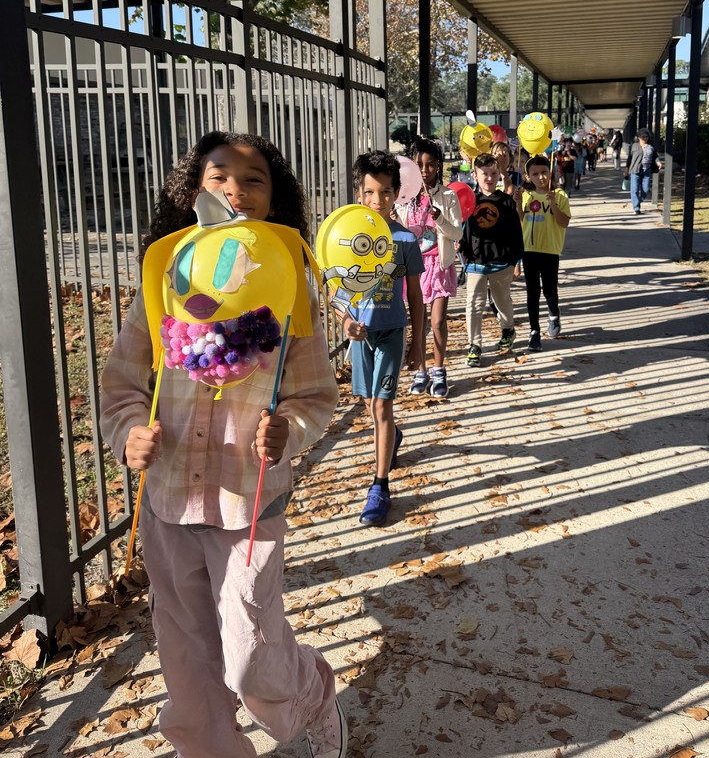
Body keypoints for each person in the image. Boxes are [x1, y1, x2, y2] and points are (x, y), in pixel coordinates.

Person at [100, 131, 347, 758]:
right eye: (219, 176)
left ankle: (312, 699)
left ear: (275, 197)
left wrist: (290, 428)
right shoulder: (163, 286)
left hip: (248, 505)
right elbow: (124, 386)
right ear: (193, 192)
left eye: (254, 177)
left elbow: (316, 395)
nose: (236, 188)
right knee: (186, 659)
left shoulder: (292, 293)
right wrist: (130, 433)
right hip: (168, 505)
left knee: (250, 657)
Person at [343, 150, 424, 526]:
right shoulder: (346, 237)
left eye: (387, 192)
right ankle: (393, 436)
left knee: (380, 407)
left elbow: (416, 295)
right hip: (361, 337)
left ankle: (380, 487)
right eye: (371, 192)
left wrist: (418, 342)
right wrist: (345, 322)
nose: (379, 201)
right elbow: (339, 290)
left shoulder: (405, 239)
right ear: (360, 193)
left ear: (396, 193)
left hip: (392, 332)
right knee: (368, 403)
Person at [396, 137, 462, 398]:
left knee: (437, 321)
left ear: (438, 166)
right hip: (414, 268)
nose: (425, 170)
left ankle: (439, 370)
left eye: (431, 165)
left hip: (439, 266)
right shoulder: (404, 198)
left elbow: (456, 232)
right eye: (419, 164)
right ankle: (420, 371)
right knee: (418, 322)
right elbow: (401, 234)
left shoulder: (447, 196)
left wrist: (439, 217)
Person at [458, 152, 524, 368]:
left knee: (501, 300)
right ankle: (474, 346)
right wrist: (460, 245)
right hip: (475, 262)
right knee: (474, 305)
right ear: (475, 175)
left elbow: (516, 233)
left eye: (493, 173)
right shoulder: (469, 201)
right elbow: (461, 229)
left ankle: (508, 328)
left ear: (499, 175)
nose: (489, 178)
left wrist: (516, 261)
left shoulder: (506, 202)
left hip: (502, 262)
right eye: (484, 174)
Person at [514, 153, 572, 352]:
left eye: (544, 172)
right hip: (529, 250)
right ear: (528, 176)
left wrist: (554, 205)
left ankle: (554, 314)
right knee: (532, 292)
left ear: (551, 173)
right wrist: (516, 203)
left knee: (549, 289)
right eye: (535, 173)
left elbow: (564, 222)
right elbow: (519, 220)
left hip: (550, 250)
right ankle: (534, 332)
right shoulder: (526, 195)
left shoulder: (560, 195)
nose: (541, 177)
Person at [626, 128, 659, 215]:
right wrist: (626, 169)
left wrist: (658, 162)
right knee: (635, 190)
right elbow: (629, 158)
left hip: (646, 172)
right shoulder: (634, 146)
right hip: (635, 171)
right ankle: (636, 208)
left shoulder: (651, 147)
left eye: (646, 136)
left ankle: (637, 201)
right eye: (643, 136)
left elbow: (655, 156)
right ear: (638, 137)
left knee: (646, 189)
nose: (645, 138)